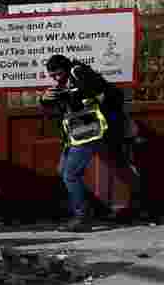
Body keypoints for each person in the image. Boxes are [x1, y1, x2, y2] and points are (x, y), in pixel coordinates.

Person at [40, 54, 126, 232]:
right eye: (52, 76)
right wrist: (45, 99)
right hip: (77, 133)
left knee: (70, 174)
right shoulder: (66, 81)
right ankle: (90, 209)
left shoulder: (79, 72)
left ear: (66, 68)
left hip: (90, 131)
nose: (56, 78)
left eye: (58, 74)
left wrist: (65, 95)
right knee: (64, 171)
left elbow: (91, 92)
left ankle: (83, 217)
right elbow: (63, 104)